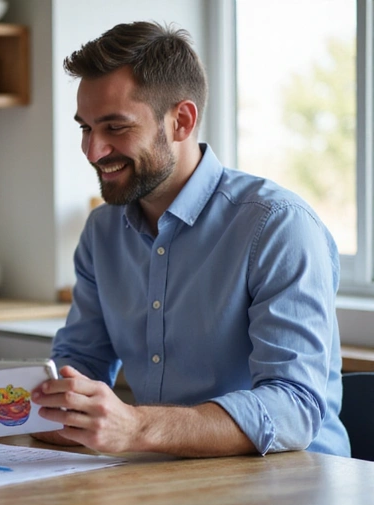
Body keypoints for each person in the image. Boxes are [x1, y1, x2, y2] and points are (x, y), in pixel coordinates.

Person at [31, 21, 350, 457]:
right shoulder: (102, 231)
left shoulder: (278, 226)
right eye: (85, 128)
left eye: (115, 127)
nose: (92, 151)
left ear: (181, 121)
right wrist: (46, 402)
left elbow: (293, 410)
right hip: (166, 478)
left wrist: (138, 427)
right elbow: (79, 365)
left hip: (293, 484)